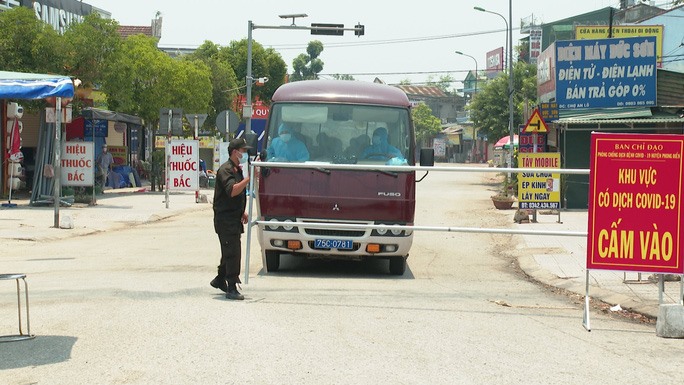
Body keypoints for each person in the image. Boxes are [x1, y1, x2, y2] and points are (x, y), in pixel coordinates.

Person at [211, 138, 252, 300]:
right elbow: (232, 191)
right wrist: (248, 180)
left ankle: (220, 279)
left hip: (233, 218)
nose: (245, 154)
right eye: (243, 151)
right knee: (233, 252)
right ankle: (232, 287)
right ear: (235, 152)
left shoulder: (236, 169)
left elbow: (237, 196)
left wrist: (242, 211)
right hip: (225, 220)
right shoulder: (225, 170)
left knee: (229, 251)